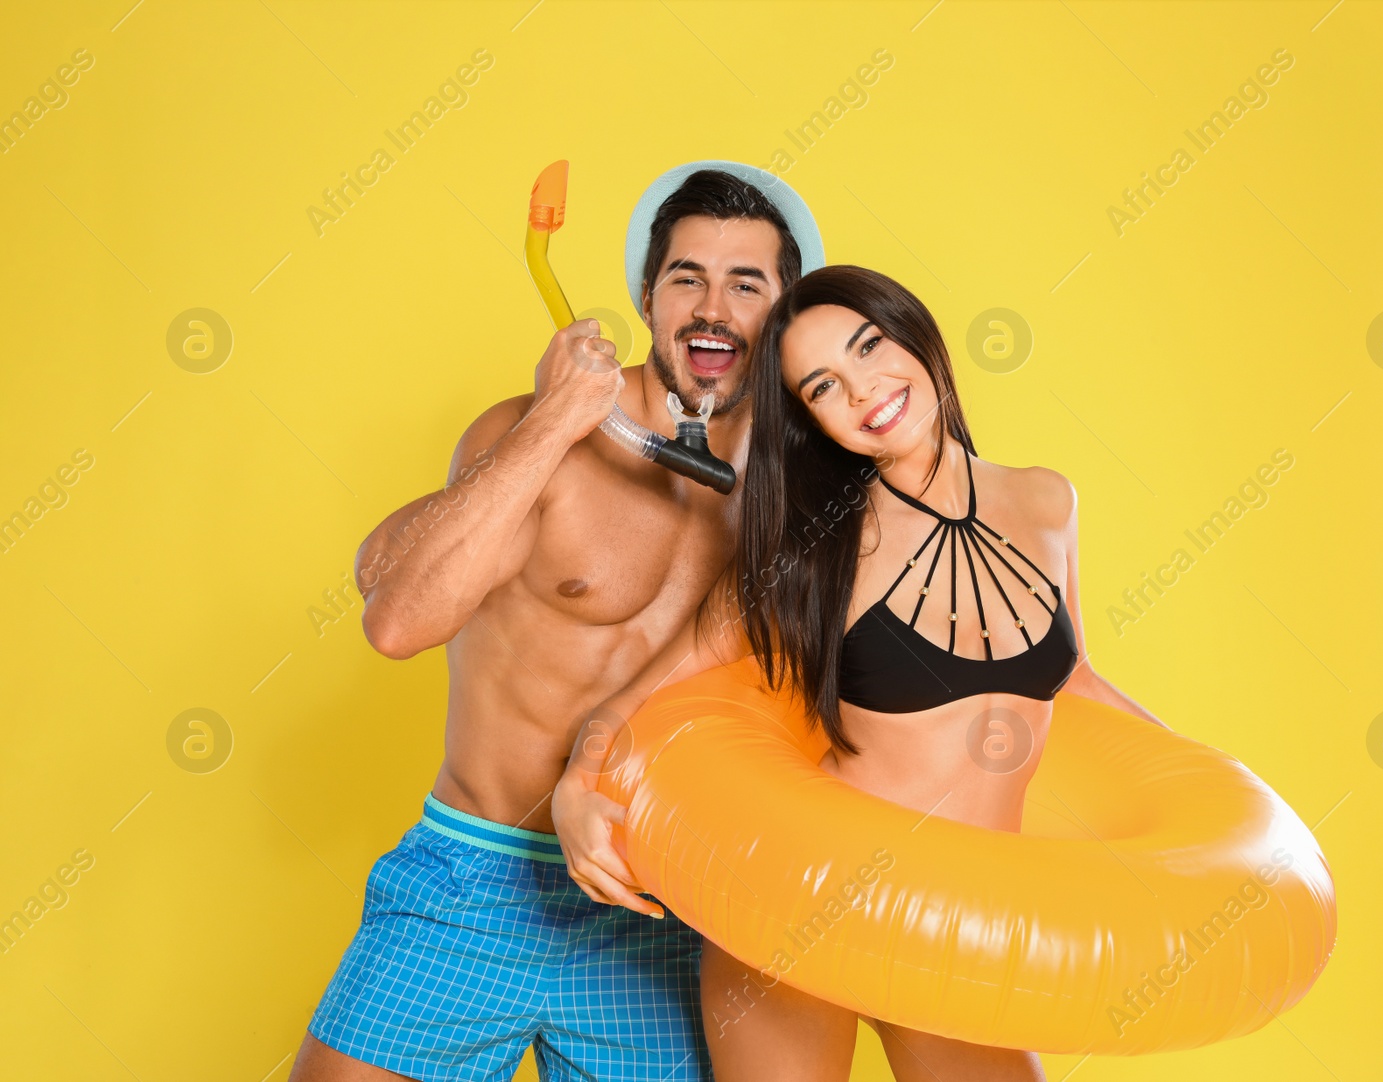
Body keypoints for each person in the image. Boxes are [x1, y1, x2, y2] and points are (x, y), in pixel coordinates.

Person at [554, 265, 1168, 1081]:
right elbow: (644, 695)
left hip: (960, 926)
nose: (865, 390)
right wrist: (573, 789)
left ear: (913, 331)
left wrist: (1205, 794)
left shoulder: (1047, 501)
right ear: (813, 422)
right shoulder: (814, 552)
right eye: (823, 386)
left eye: (870, 346)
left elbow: (1075, 679)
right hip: (805, 903)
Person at [288, 163, 824, 1082]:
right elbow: (398, 621)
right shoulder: (540, 435)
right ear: (645, 298)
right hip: (473, 883)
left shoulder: (794, 492)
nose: (712, 306)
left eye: (747, 283)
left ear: (783, 313)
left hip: (662, 903)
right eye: (686, 276)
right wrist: (552, 421)